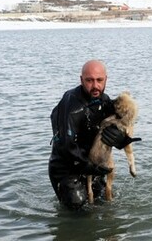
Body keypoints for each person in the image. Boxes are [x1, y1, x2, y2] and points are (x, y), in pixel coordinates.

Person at [49, 60, 140, 210]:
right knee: (78, 205)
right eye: (89, 80)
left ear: (106, 79)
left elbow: (122, 124)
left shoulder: (104, 101)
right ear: (81, 80)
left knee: (102, 202)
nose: (95, 86)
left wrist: (121, 140)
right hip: (66, 168)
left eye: (99, 80)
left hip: (93, 163)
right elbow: (66, 145)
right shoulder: (71, 104)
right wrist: (88, 166)